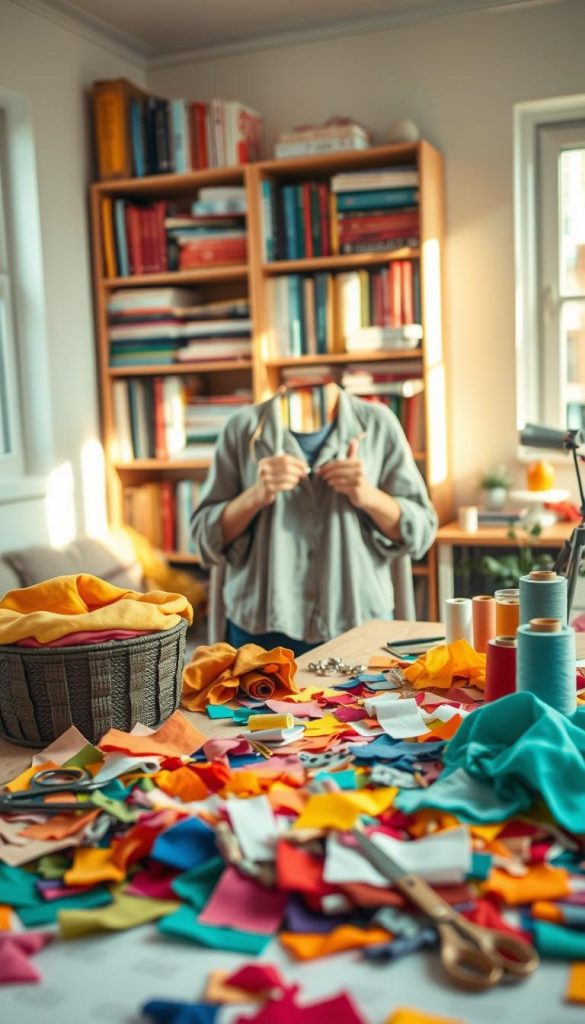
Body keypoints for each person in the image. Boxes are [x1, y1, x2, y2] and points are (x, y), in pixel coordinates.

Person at [191, 383, 438, 656]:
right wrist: (255, 495)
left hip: (361, 627)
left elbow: (422, 530)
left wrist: (368, 495)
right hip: (261, 634)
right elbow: (203, 536)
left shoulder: (379, 424)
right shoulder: (242, 428)